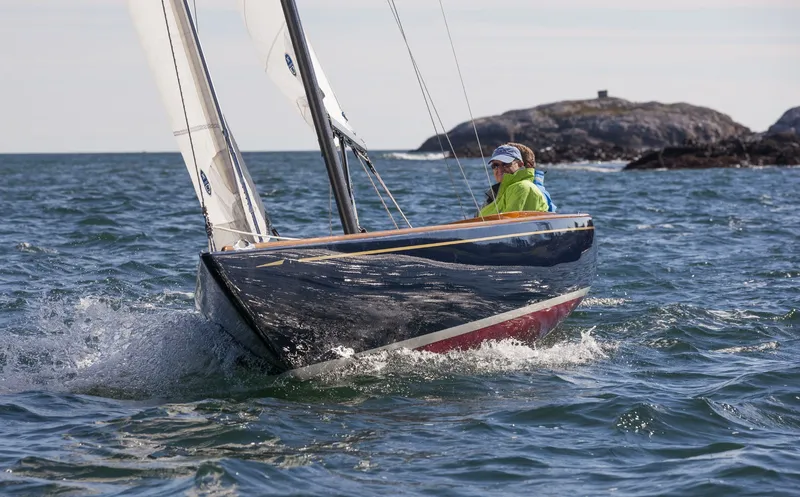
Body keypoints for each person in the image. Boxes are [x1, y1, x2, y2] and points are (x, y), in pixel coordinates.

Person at [478, 145, 548, 217]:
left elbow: (508, 221)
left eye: (506, 164)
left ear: (520, 164)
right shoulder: (503, 192)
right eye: (495, 165)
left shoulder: (522, 187)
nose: (500, 169)